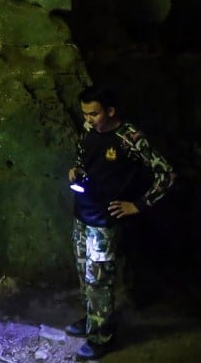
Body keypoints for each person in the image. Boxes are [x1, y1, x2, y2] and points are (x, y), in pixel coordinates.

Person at [65, 86, 174, 360]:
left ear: (111, 111)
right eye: (85, 114)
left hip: (104, 223)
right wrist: (76, 170)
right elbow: (84, 158)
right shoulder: (88, 131)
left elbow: (166, 174)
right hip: (82, 214)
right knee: (84, 272)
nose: (89, 119)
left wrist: (138, 204)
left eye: (94, 114)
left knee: (99, 279)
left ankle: (101, 337)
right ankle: (91, 319)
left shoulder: (129, 138)